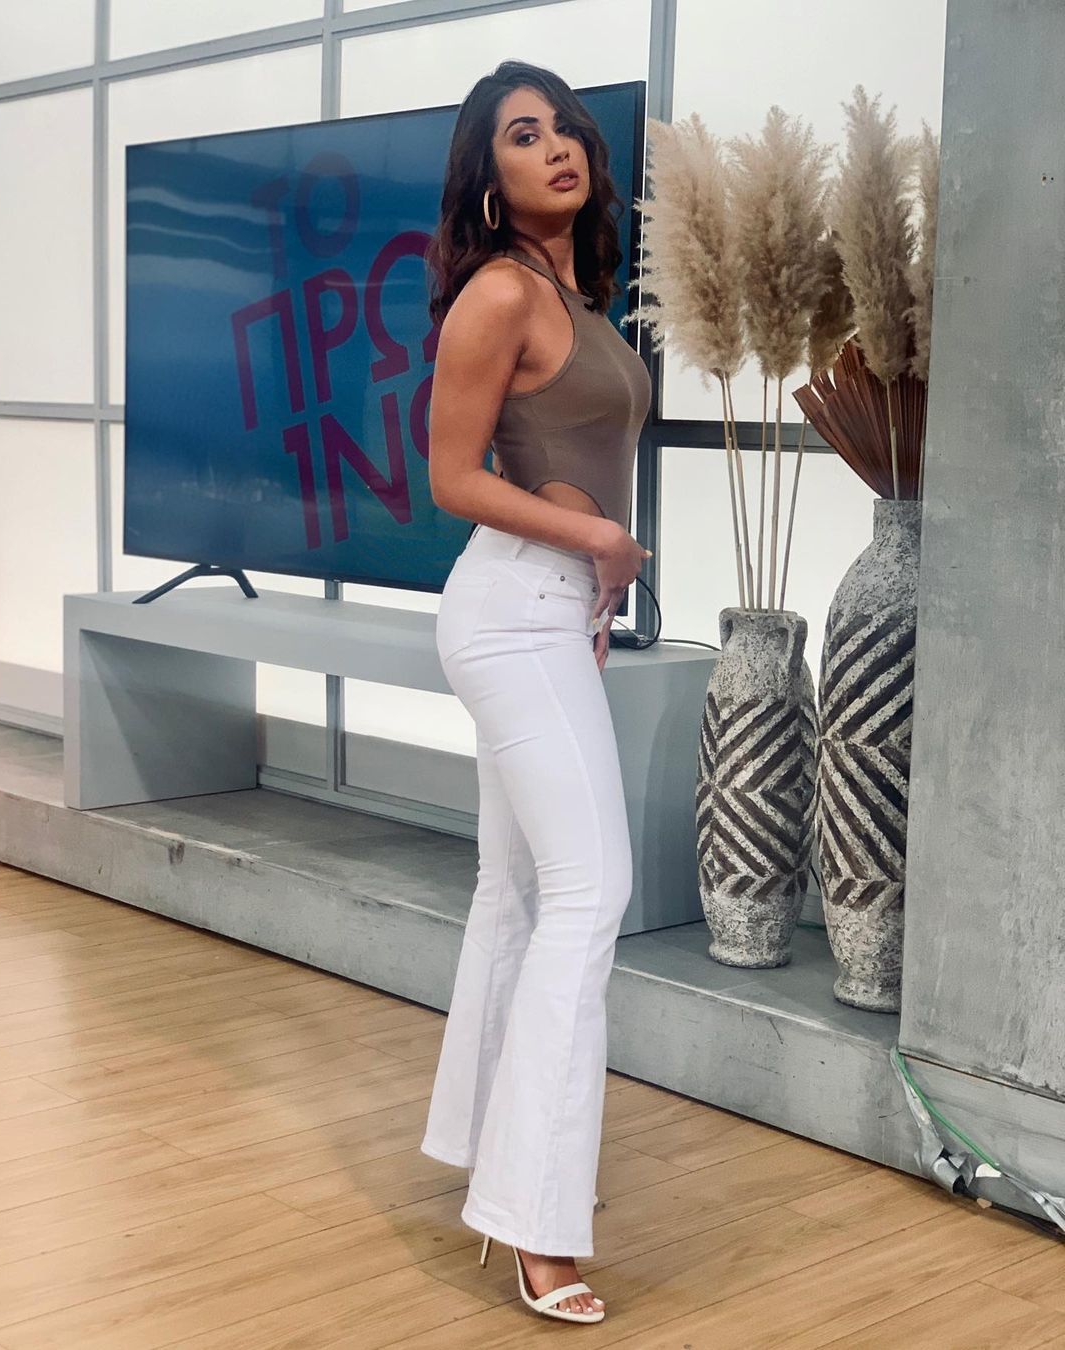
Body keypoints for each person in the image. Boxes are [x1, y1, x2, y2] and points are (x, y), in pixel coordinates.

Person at [418, 59, 652, 1324]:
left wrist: (591, 579)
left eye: (566, 127)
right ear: (487, 175)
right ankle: (534, 1224)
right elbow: (453, 477)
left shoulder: (580, 295)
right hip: (511, 612)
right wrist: (599, 541)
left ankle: (484, 1154)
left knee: (513, 894)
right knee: (588, 893)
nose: (556, 145)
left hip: (550, 614)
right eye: (522, 134)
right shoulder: (500, 292)